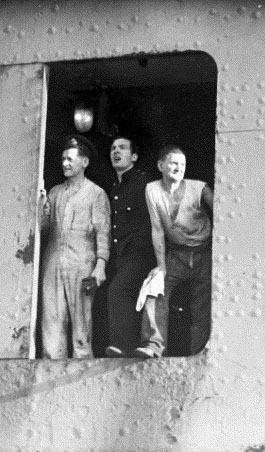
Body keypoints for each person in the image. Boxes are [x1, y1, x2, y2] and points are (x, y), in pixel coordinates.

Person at [135, 145, 213, 358]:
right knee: (154, 288)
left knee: (201, 306)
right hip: (175, 255)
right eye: (173, 163)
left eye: (182, 164)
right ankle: (154, 345)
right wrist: (161, 266)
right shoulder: (152, 190)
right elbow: (157, 229)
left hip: (203, 254)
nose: (179, 168)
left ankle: (198, 353)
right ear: (161, 165)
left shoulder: (200, 189)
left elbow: (222, 218)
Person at [39, 135, 111, 359]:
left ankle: (81, 368)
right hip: (53, 264)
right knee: (51, 322)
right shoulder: (54, 192)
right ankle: (51, 368)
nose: (65, 164)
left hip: (81, 264)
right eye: (63, 159)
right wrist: (41, 207)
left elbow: (103, 233)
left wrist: (100, 267)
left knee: (81, 327)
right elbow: (43, 230)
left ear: (84, 163)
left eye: (70, 159)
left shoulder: (96, 193)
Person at [104, 136, 156, 357]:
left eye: (122, 148)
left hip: (138, 254)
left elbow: (150, 221)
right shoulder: (114, 187)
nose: (116, 152)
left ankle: (122, 345)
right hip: (120, 255)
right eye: (113, 148)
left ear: (134, 156)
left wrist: (136, 244)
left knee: (118, 290)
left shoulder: (143, 183)